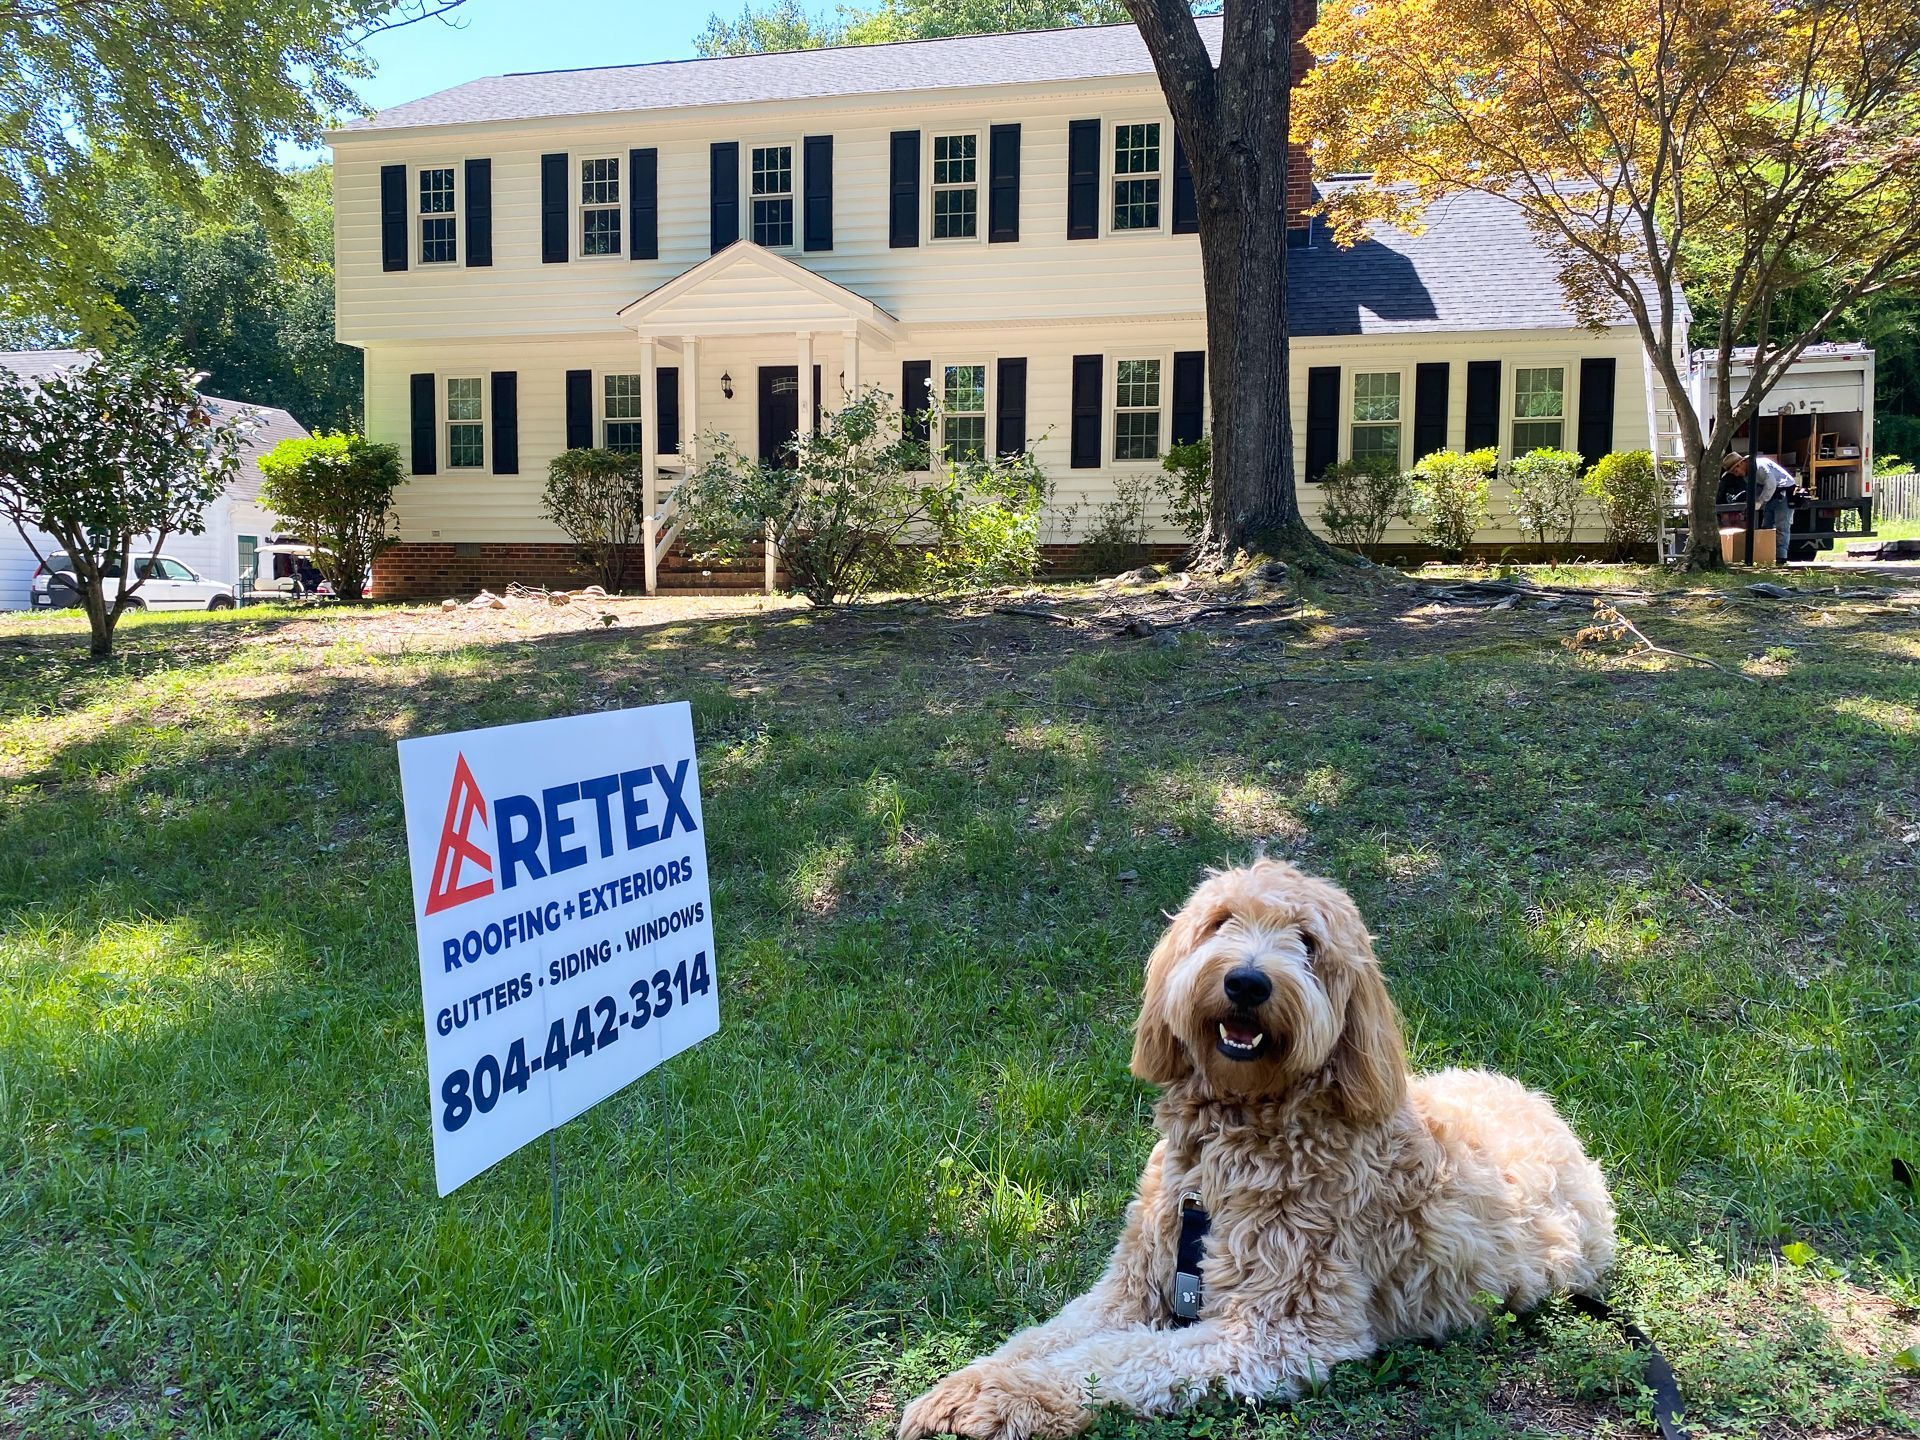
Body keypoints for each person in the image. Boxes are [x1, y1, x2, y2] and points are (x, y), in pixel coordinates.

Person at [1722, 449, 1797, 563]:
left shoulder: (1760, 467)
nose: (1736, 473)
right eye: (1733, 472)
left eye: (1736, 469)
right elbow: (1756, 489)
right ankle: (1767, 555)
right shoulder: (1747, 475)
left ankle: (1781, 557)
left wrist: (1760, 501)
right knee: (1766, 526)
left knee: (1782, 526)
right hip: (1771, 496)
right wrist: (1753, 503)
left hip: (1784, 493)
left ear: (1742, 463)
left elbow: (1771, 484)